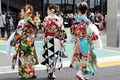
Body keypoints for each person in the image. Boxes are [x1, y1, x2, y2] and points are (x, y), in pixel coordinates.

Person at [70, 2, 98, 80]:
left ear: (78, 11)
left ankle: (84, 74)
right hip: (85, 42)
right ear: (86, 11)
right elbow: (91, 33)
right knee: (86, 58)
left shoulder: (75, 21)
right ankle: (80, 73)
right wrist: (94, 37)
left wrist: (75, 40)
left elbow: (73, 32)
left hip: (77, 42)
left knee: (80, 57)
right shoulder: (87, 21)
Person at [11, 4, 39, 79]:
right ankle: (32, 73)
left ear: (26, 12)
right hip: (30, 42)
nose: (21, 13)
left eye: (22, 12)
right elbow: (35, 30)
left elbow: (18, 33)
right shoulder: (33, 21)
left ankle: (25, 74)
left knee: (23, 58)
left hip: (23, 42)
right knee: (30, 57)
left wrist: (13, 42)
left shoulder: (22, 21)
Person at [40, 4, 64, 79]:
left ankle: (50, 72)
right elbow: (62, 30)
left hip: (48, 39)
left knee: (48, 56)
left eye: (48, 10)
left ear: (51, 10)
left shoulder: (46, 19)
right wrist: (62, 40)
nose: (47, 11)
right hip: (56, 39)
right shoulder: (59, 19)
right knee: (54, 55)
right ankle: (52, 72)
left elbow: (43, 29)